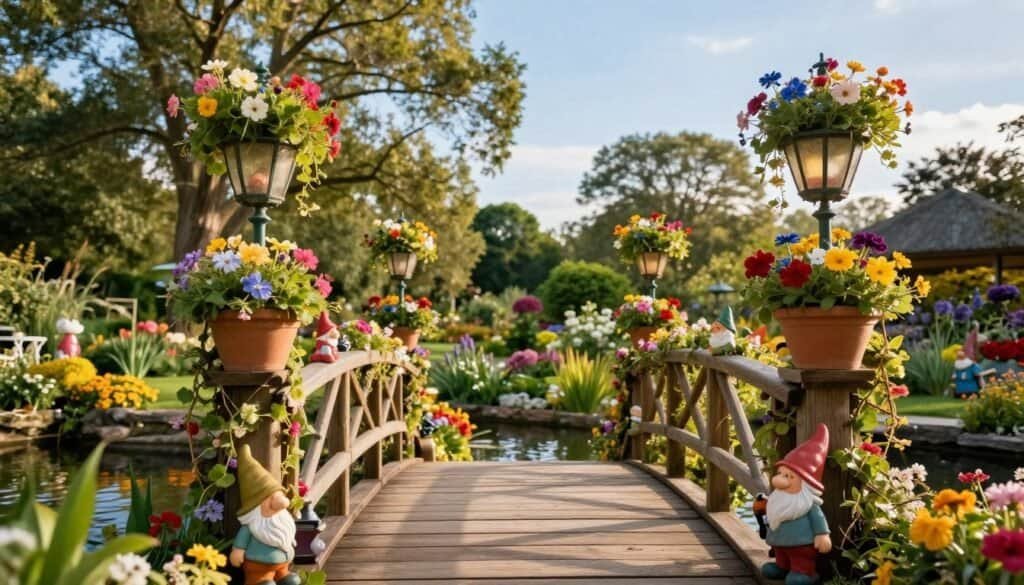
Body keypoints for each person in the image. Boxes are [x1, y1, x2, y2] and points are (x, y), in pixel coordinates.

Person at [761, 423, 832, 585]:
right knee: (782, 555)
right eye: (780, 473)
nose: (779, 479)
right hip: (779, 543)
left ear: (806, 485)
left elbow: (818, 518)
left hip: (802, 544)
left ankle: (805, 572)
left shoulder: (808, 505)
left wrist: (822, 534)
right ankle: (782, 566)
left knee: (800, 561)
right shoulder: (778, 499)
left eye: (789, 476)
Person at [230, 445, 300, 585]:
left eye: (279, 495)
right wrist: (237, 551)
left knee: (290, 580)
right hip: (259, 566)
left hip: (283, 564)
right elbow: (241, 543)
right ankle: (259, 580)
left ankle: (282, 576)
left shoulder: (282, 521)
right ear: (255, 508)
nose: (281, 503)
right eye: (270, 499)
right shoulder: (252, 526)